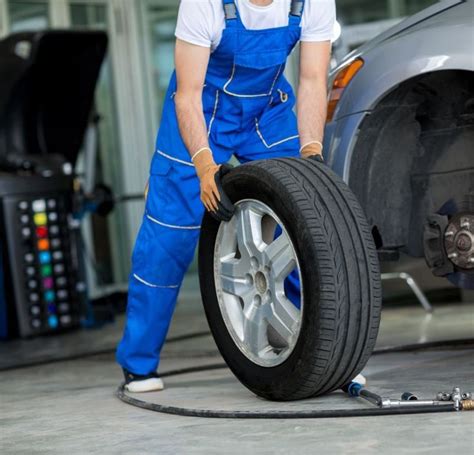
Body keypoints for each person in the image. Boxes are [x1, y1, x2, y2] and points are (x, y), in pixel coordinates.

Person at [117, 0, 360, 393]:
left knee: (305, 220)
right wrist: (203, 165)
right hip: (201, 111)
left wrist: (311, 153)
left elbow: (313, 79)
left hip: (267, 109)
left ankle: (328, 354)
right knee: (168, 236)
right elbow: (187, 94)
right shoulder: (204, 4)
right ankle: (139, 362)